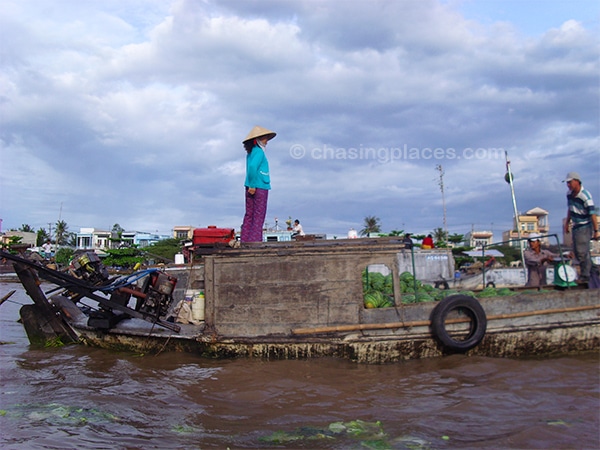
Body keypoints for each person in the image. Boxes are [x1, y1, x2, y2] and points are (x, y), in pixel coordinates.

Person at [240, 126, 276, 243]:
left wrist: (250, 184)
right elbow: (252, 167)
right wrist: (252, 185)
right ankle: (255, 242)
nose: (266, 141)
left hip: (252, 185)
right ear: (258, 139)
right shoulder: (259, 152)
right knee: (258, 215)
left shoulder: (251, 152)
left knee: (249, 214)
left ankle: (245, 240)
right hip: (259, 186)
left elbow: (251, 167)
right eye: (265, 138)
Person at [563, 172, 599, 283]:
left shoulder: (585, 196)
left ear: (577, 182)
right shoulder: (569, 194)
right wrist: (567, 222)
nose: (568, 185)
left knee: (582, 251)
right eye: (567, 183)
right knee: (578, 252)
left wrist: (596, 230)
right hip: (576, 225)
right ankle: (594, 270)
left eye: (570, 182)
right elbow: (571, 208)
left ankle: (585, 275)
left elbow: (592, 214)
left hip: (584, 225)